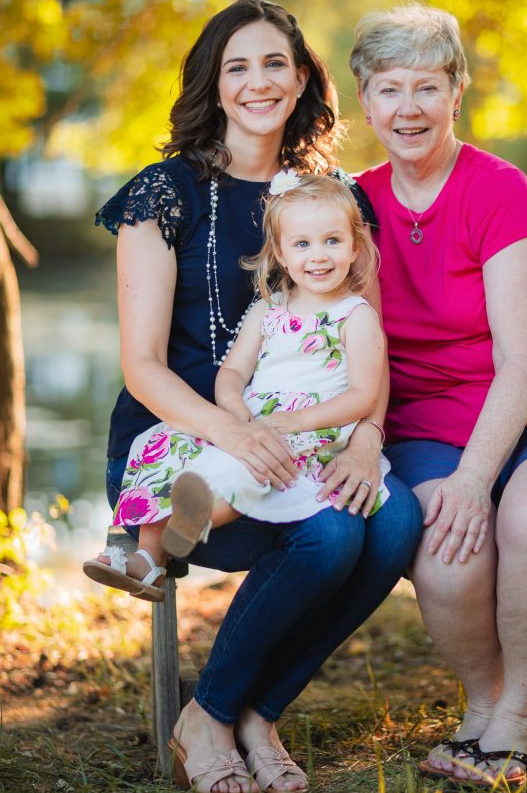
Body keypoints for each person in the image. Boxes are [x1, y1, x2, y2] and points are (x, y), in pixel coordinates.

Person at [84, 0, 422, 793]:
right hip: (186, 448)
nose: (258, 82)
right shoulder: (161, 195)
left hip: (311, 434)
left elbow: (364, 339)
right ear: (214, 82)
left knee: (396, 518)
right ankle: (213, 714)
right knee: (332, 539)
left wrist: (369, 435)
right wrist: (236, 432)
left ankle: (248, 712)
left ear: (303, 77)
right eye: (237, 66)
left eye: (275, 62)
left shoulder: (334, 200)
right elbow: (143, 367)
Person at [349, 2, 527, 787]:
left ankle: (515, 719)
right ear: (364, 102)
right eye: (389, 89)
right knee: (445, 550)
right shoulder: (355, 204)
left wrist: (477, 478)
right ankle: (483, 701)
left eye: (427, 87)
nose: (408, 108)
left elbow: (523, 359)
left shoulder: (498, 188)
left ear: (456, 92)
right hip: (425, 422)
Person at [85, 171, 391, 569]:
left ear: (355, 247)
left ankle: (197, 519)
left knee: (250, 466)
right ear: (281, 253)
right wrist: (233, 408)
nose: (319, 255)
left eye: (333, 241)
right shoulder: (268, 308)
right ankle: (147, 557)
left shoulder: (355, 315)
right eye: (302, 244)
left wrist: (296, 421)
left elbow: (363, 395)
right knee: (169, 442)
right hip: (253, 416)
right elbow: (233, 371)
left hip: (314, 425)